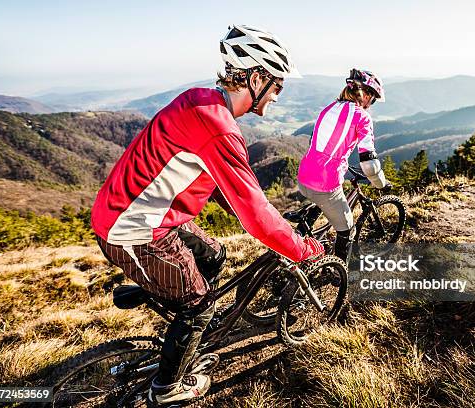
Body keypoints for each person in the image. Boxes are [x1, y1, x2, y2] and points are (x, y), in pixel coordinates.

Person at [90, 24, 324, 406]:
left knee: (214, 255)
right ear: (256, 77)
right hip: (133, 228)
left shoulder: (200, 99)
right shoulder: (219, 128)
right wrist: (302, 248)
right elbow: (257, 217)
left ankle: (178, 308)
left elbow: (214, 182)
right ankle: (167, 388)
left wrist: (264, 216)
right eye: (278, 85)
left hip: (150, 214)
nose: (279, 95)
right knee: (198, 305)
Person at [297, 69, 391, 262]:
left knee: (322, 204)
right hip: (324, 183)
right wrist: (381, 183)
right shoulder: (362, 117)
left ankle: (302, 237)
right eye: (372, 100)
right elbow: (369, 164)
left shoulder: (329, 108)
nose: (371, 105)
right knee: (348, 229)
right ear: (366, 95)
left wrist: (342, 162)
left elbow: (321, 145)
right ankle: (338, 273)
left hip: (304, 175)